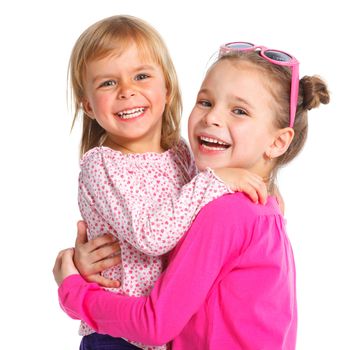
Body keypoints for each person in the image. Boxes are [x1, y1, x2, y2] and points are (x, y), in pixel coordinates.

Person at [54, 41, 330, 349]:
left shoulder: (226, 212)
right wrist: (92, 260)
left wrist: (74, 292)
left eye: (239, 110)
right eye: (206, 102)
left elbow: (154, 323)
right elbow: (162, 215)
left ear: (278, 142)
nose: (212, 118)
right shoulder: (263, 205)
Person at [65, 15, 268, 350]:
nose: (127, 91)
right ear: (88, 104)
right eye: (107, 83)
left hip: (168, 327)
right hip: (119, 333)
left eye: (141, 76)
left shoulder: (179, 152)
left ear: (167, 89)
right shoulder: (102, 165)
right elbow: (151, 236)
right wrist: (216, 181)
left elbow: (205, 218)